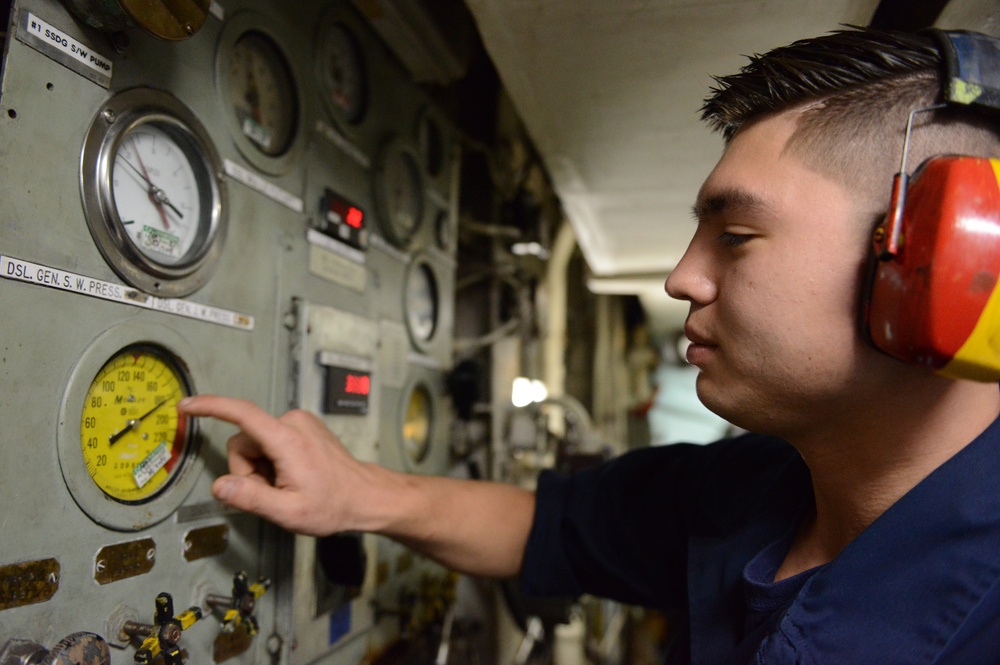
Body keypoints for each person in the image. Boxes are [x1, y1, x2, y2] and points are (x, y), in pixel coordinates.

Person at [179, 26, 1000, 663]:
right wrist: (357, 493)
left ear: (939, 257)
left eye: (737, 234)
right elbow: (549, 527)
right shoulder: (754, 485)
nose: (682, 277)